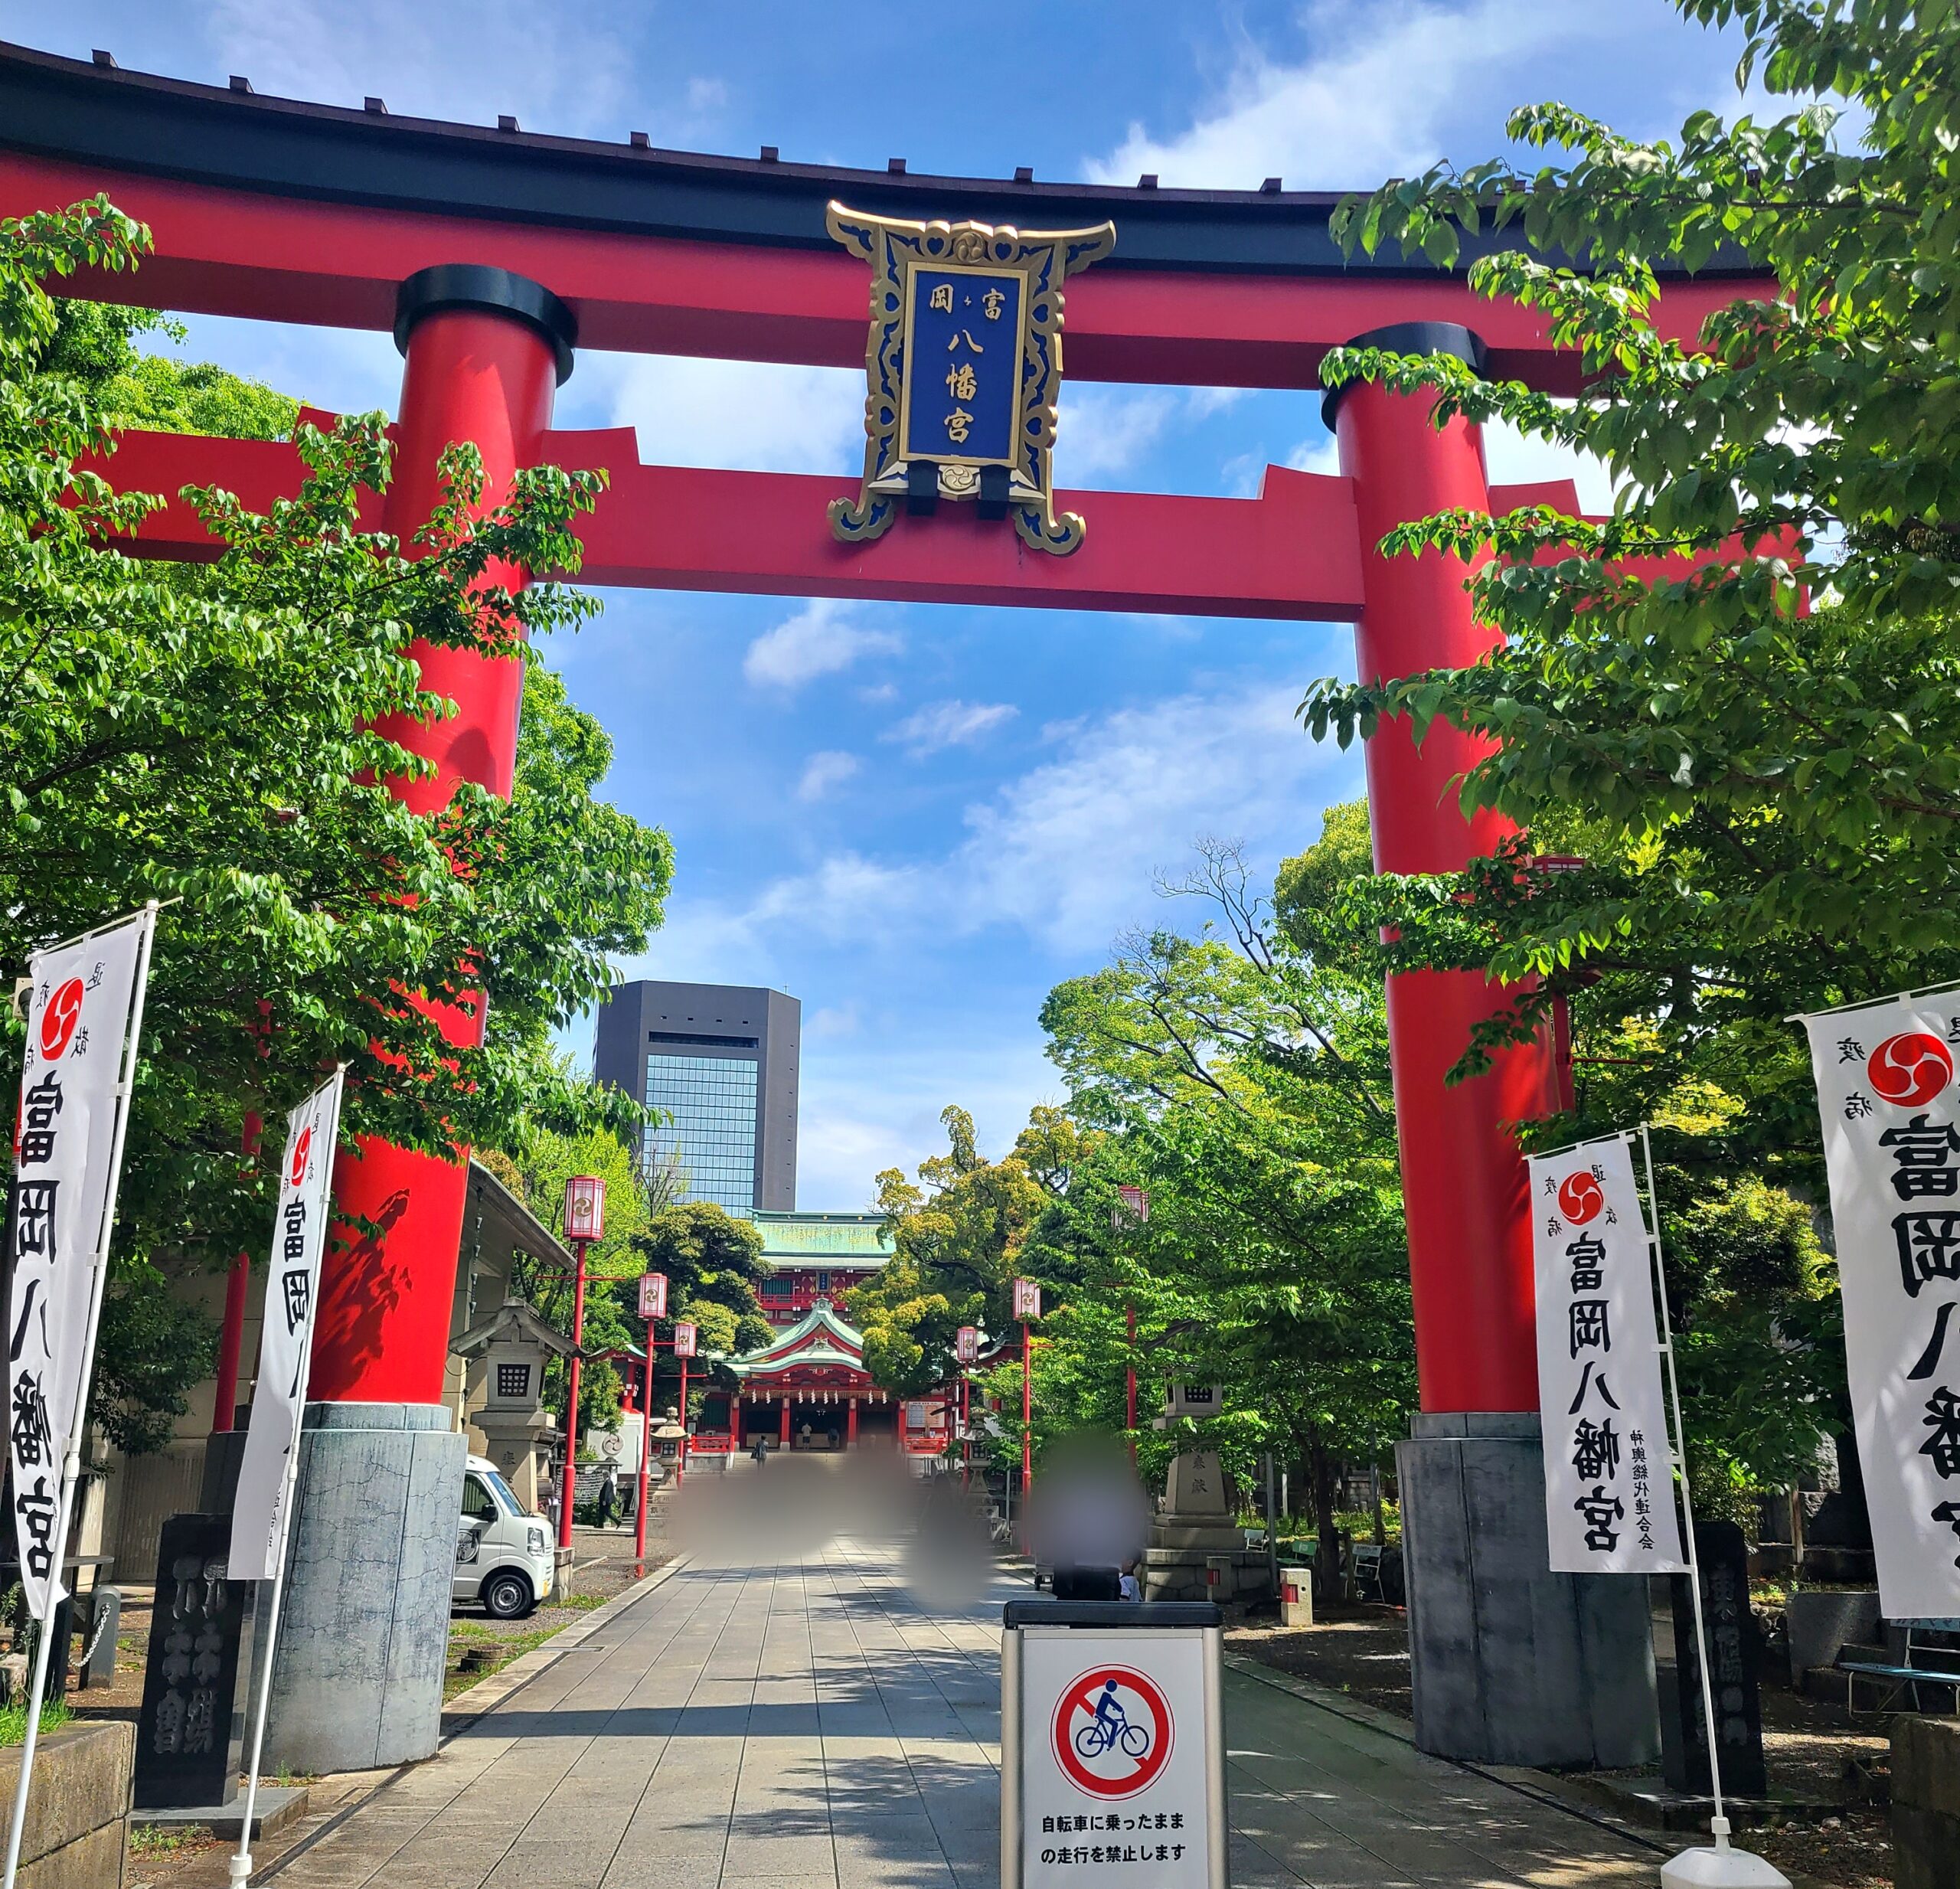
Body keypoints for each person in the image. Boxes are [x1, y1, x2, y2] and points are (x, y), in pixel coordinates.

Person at [596, 1463, 619, 1530]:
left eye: (603, 1475)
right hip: (605, 1500)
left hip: (606, 1501)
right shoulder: (607, 1482)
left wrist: (604, 1500)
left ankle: (618, 1521)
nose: (602, 1476)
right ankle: (600, 1524)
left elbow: (606, 1492)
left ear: (607, 1475)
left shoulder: (608, 1482)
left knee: (608, 1513)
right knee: (601, 1513)